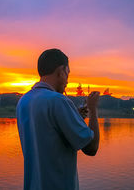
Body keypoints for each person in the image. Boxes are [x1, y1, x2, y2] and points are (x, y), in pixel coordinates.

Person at [16, 48, 100, 190]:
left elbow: (48, 132)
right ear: (61, 71)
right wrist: (93, 109)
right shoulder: (58, 101)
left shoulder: (24, 101)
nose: (67, 81)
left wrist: (75, 117)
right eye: (67, 74)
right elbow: (91, 148)